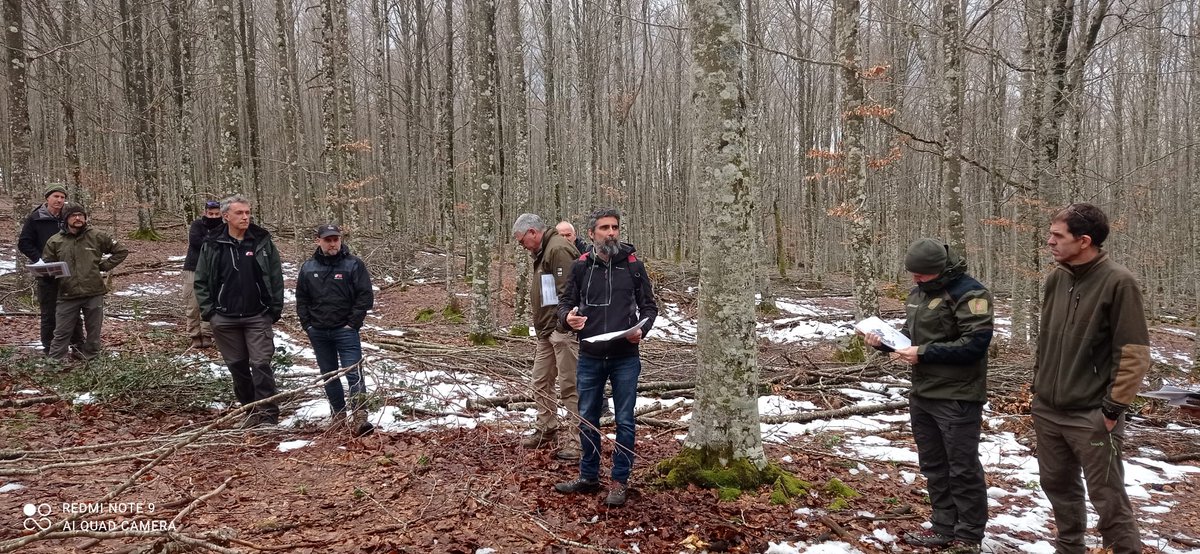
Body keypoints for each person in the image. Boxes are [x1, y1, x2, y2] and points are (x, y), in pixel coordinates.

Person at [862, 239, 992, 552]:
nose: (915, 278)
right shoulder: (918, 293)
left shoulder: (970, 293)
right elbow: (910, 337)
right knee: (933, 465)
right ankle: (943, 527)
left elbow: (975, 344)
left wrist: (924, 353)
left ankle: (969, 536)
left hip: (957, 395)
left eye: (921, 274)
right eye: (913, 273)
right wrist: (884, 343)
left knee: (962, 468)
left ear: (940, 269)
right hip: (923, 392)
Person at [1034, 203, 1149, 553]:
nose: (1050, 241)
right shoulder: (1057, 278)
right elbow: (1047, 342)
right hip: (1048, 410)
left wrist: (1113, 409)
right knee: (1057, 486)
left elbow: (1134, 353)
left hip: (1092, 416)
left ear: (1084, 241)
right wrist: (1038, 390)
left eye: (1058, 235)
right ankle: (1069, 548)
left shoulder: (1119, 282)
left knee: (1107, 496)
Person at [553, 208, 657, 507]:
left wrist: (642, 330)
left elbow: (649, 307)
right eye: (604, 228)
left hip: (626, 356)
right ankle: (588, 476)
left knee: (624, 420)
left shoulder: (633, 266)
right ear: (591, 234)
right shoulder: (581, 267)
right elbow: (565, 304)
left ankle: (619, 481)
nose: (611, 233)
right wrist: (567, 319)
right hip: (590, 356)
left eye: (615, 227)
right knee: (587, 418)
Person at [194, 195, 285, 428]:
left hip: (257, 315)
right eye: (239, 213)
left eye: (247, 212)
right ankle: (250, 411)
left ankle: (268, 416)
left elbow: (275, 276)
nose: (245, 217)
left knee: (261, 363)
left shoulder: (261, 241)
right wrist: (210, 313)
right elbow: (201, 280)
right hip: (224, 318)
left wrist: (273, 309)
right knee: (238, 367)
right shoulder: (212, 243)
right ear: (226, 216)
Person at [296, 224, 376, 437]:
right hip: (318, 331)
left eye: (335, 239)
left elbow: (365, 296)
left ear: (340, 240)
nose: (332, 244)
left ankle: (360, 418)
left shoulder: (353, 264)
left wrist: (352, 323)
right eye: (328, 240)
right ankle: (338, 416)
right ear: (318, 241)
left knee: (353, 373)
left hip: (345, 330)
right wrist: (307, 325)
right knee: (329, 375)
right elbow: (301, 298)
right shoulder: (308, 267)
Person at [513, 214, 581, 459]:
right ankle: (546, 428)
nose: (522, 246)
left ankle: (578, 440)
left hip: (562, 331)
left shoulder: (558, 250)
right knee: (540, 381)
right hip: (546, 331)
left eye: (522, 241)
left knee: (570, 386)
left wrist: (563, 328)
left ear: (532, 232)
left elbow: (570, 293)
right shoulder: (544, 251)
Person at [41, 204, 129, 361]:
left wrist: (104, 266)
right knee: (61, 332)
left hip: (93, 292)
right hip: (67, 293)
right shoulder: (55, 241)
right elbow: (47, 264)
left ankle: (91, 360)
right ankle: (55, 363)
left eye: (80, 215)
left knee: (94, 332)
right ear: (66, 219)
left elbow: (121, 251)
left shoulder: (97, 236)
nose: (78, 218)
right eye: (73, 215)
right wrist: (48, 275)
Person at [18, 183, 82, 353]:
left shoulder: (68, 217)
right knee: (49, 313)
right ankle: (50, 350)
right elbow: (24, 243)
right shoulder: (35, 218)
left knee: (74, 310)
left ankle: (78, 347)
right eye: (56, 196)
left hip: (70, 273)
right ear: (47, 198)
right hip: (47, 273)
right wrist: (39, 259)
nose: (59, 200)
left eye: (62, 197)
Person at [182, 200, 224, 349]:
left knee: (209, 302)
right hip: (193, 268)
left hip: (213, 270)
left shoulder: (224, 227)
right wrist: (213, 241)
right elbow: (196, 242)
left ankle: (207, 334)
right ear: (205, 212)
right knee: (192, 303)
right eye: (211, 214)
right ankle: (194, 334)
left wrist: (211, 241)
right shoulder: (197, 225)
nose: (214, 217)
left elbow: (223, 245)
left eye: (216, 214)